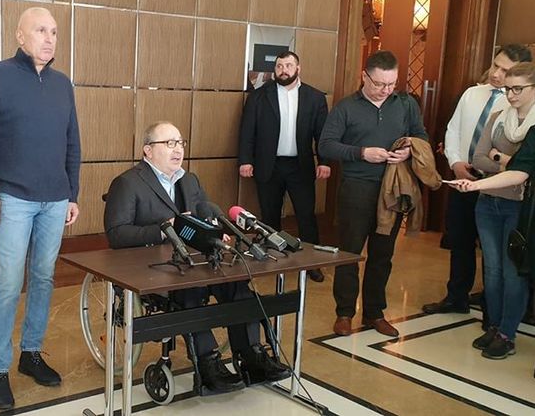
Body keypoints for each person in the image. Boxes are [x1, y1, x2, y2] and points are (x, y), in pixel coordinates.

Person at [103, 121, 290, 394]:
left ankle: (252, 356)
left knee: (237, 285)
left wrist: (215, 231)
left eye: (180, 143)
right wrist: (164, 229)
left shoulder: (190, 180)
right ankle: (208, 365)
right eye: (169, 143)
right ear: (148, 150)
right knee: (189, 290)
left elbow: (205, 214)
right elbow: (117, 234)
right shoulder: (127, 183)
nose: (177, 149)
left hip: (197, 261)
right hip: (152, 269)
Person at [0, 7, 81, 411]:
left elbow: (72, 142)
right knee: (9, 281)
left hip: (55, 198)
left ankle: (31, 353)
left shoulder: (63, 84)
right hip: (12, 197)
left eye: (54, 32)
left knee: (44, 277)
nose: (49, 38)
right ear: (20, 36)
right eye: (40, 30)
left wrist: (72, 193)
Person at [319, 50, 427, 337]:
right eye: (379, 84)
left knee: (382, 254)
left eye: (391, 84)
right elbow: (326, 145)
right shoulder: (346, 107)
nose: (386, 90)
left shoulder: (405, 104)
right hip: (356, 188)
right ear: (364, 76)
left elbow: (421, 135)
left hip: (393, 189)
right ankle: (344, 313)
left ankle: (374, 313)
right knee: (349, 253)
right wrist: (362, 153)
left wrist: (409, 150)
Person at [423, 45, 532, 317]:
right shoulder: (472, 94)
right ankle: (456, 297)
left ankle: (491, 307)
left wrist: (494, 163)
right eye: (495, 65)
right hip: (464, 180)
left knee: (495, 253)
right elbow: (453, 130)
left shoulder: (517, 103)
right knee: (460, 241)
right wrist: (455, 163)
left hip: (501, 188)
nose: (496, 74)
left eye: (505, 71)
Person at [238, 51, 330, 282]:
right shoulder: (259, 97)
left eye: (288, 65)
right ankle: (273, 259)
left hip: (300, 166)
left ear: (298, 69)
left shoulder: (315, 97)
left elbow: (322, 135)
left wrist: (325, 162)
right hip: (269, 165)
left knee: (306, 216)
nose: (283, 70)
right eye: (279, 66)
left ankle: (312, 264)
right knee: (269, 216)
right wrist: (245, 160)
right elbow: (247, 131)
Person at [468, 63, 535, 359]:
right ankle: (494, 326)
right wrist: (505, 160)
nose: (511, 94)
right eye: (508, 88)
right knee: (492, 270)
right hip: (488, 200)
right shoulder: (498, 117)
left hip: (519, 206)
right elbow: (479, 158)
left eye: (518, 88)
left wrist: (504, 160)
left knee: (512, 271)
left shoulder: (532, 126)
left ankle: (508, 333)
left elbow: (524, 169)